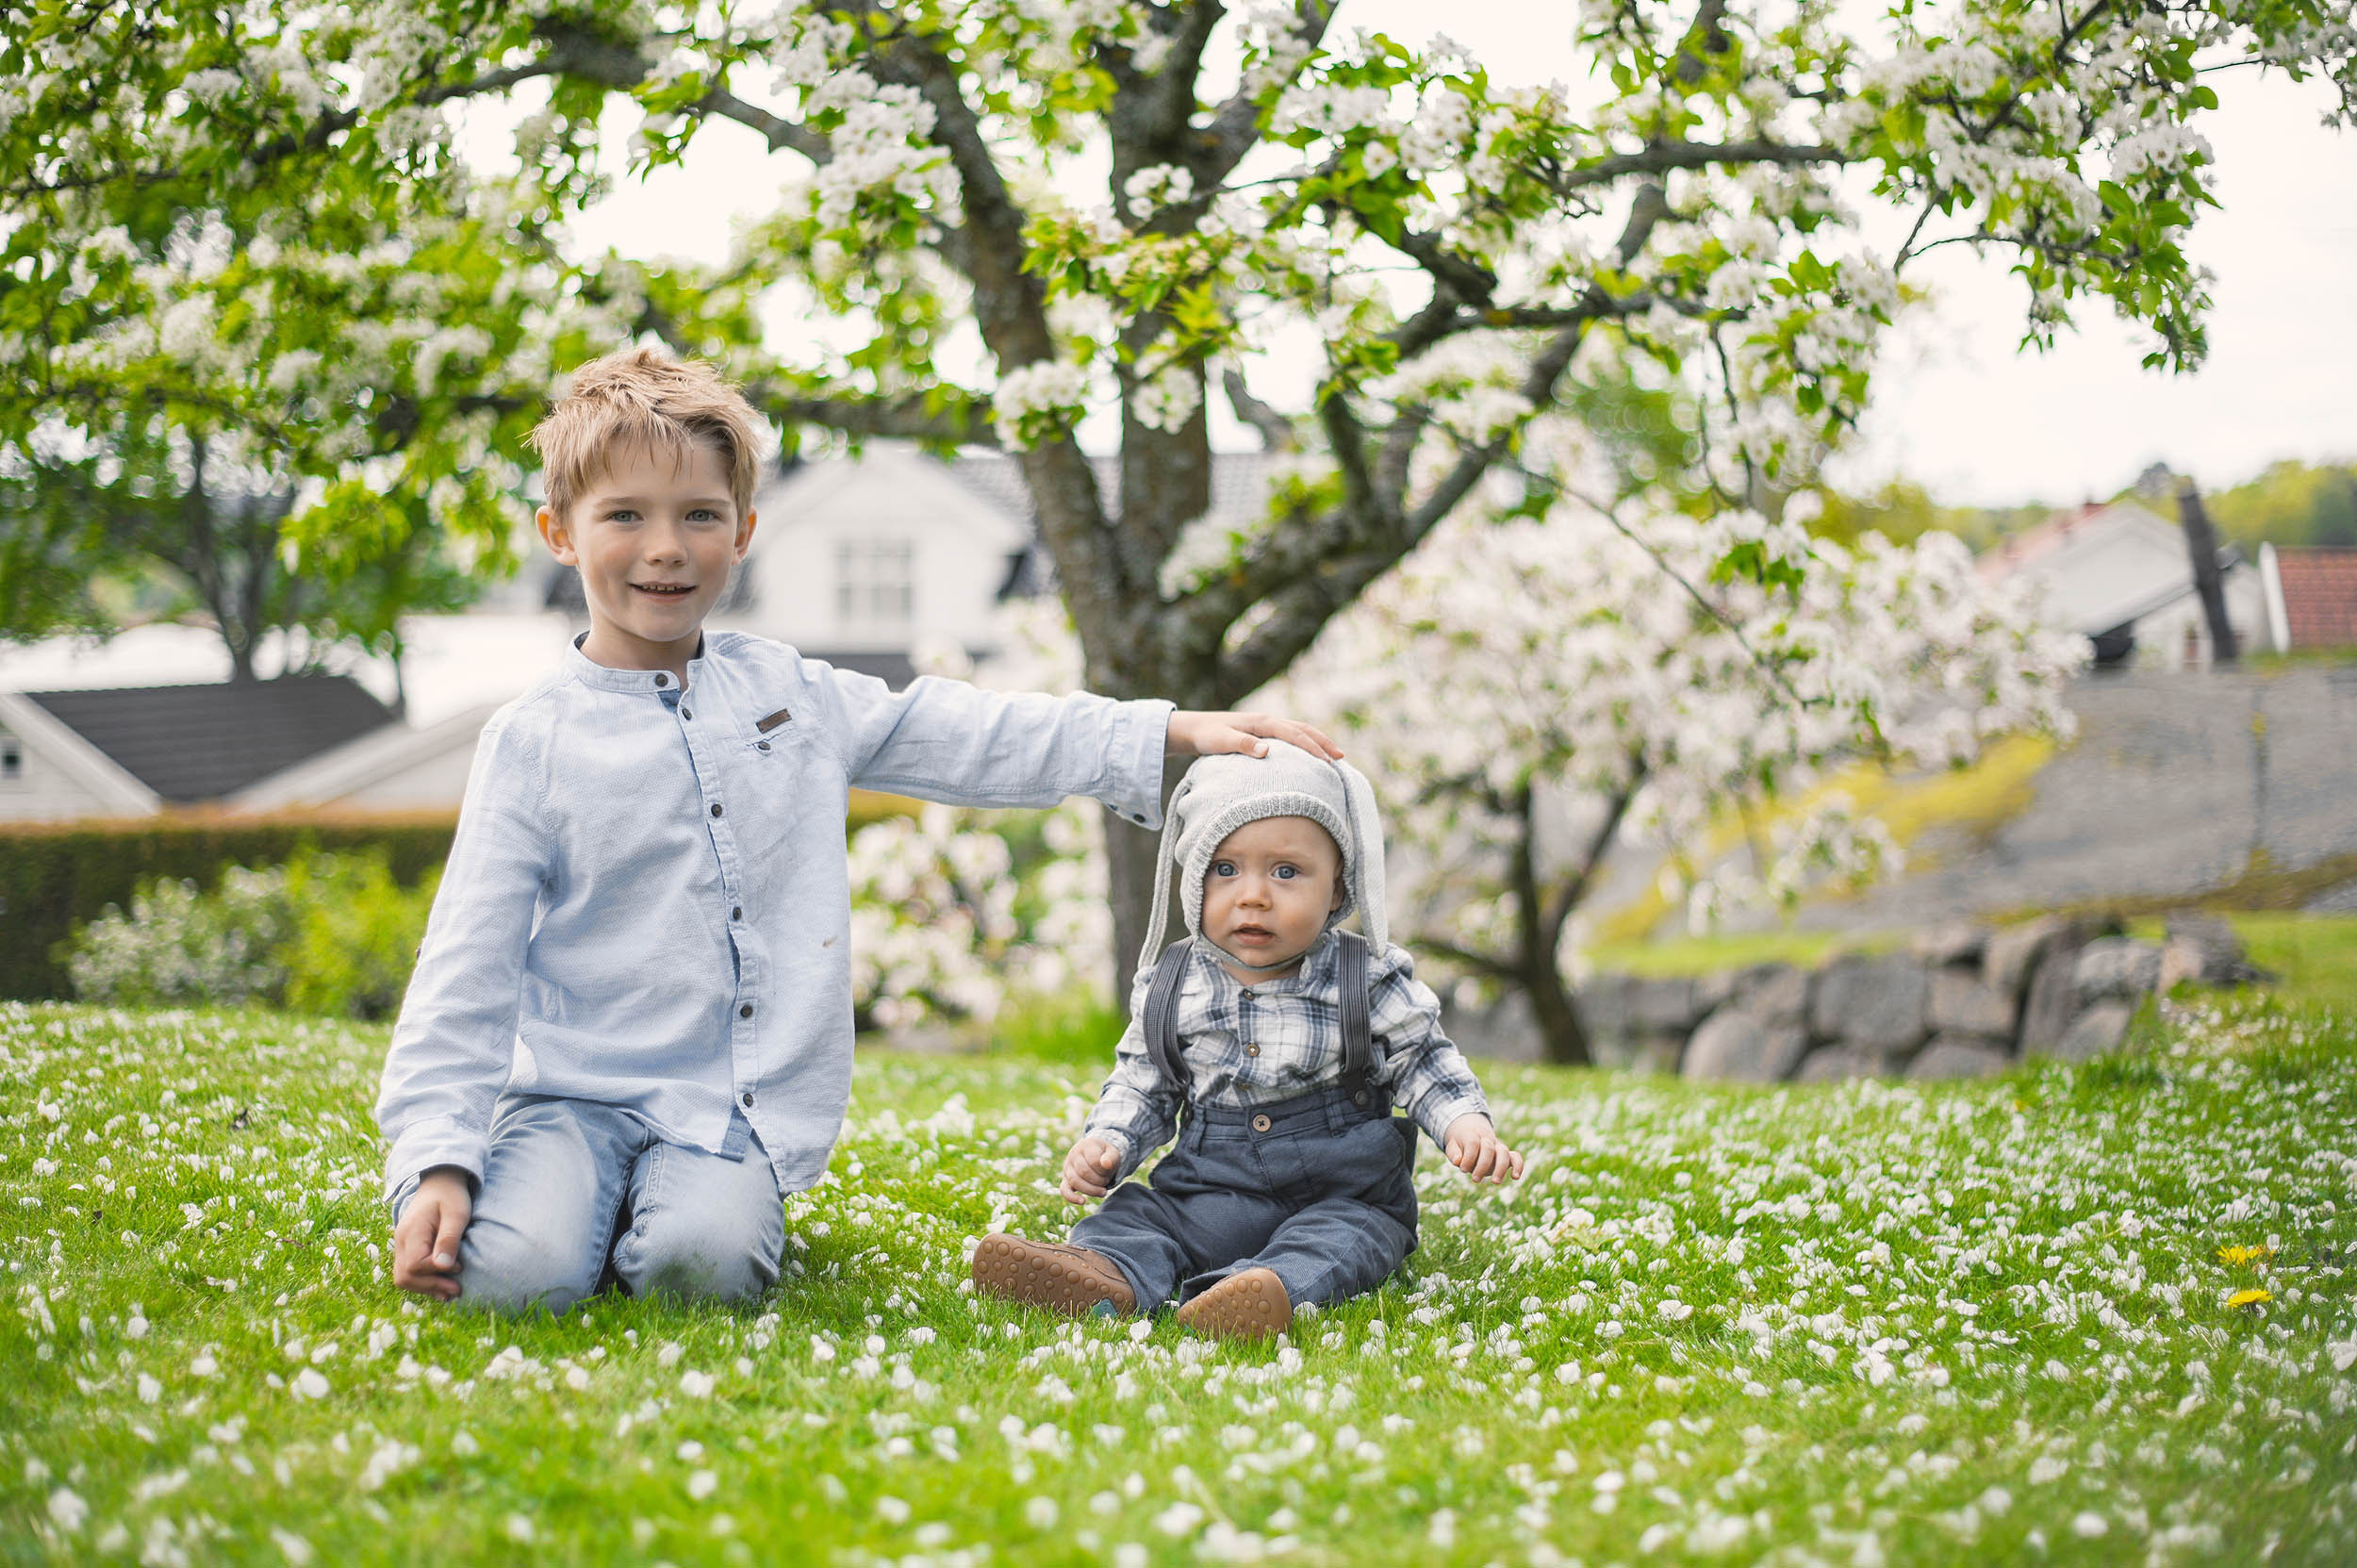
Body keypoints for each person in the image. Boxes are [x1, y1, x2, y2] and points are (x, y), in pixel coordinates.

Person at [379, 346, 1339, 1314]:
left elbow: (972, 731)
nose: (665, 546)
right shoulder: (530, 739)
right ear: (559, 533)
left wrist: (1166, 729)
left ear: (744, 530)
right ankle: (562, 1210)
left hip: (724, 1112)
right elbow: (466, 967)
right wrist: (437, 1163)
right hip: (565, 1101)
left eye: (698, 515)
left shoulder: (794, 695)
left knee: (698, 1273)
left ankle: (679, 1216)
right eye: (624, 515)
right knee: (503, 1283)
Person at [970, 739, 1524, 1339]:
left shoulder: (1366, 976)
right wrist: (1108, 1143)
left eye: (1287, 872)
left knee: (1348, 1241)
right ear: (1192, 881)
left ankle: (1260, 1293)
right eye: (1225, 869)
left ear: (1337, 890)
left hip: (1343, 1195)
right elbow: (1143, 1082)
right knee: (1137, 1212)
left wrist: (1465, 1123)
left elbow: (1422, 1059)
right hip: (1208, 1193)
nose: (1253, 894)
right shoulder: (1172, 983)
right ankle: (1110, 1274)